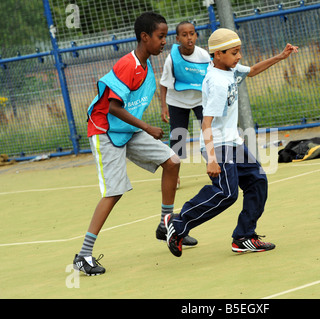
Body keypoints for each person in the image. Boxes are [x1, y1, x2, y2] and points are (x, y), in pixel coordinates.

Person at [164, 28, 298, 257]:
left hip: (234, 143)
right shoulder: (216, 83)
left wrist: (280, 57)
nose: (239, 57)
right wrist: (212, 160)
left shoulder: (231, 69)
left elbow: (253, 70)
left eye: (239, 52)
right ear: (218, 54)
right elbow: (206, 125)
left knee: (257, 182)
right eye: (234, 53)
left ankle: (244, 236)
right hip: (219, 145)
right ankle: (177, 223)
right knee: (227, 193)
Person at [72, 12, 187, 276]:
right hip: (105, 130)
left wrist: (141, 127)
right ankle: (83, 255)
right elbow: (112, 107)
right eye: (160, 37)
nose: (164, 42)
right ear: (145, 37)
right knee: (114, 191)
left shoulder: (146, 66)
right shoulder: (129, 65)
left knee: (172, 161)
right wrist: (146, 126)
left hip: (128, 128)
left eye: (165, 37)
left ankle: (164, 224)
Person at [159, 21, 210, 188]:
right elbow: (164, 83)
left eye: (192, 33)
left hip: (200, 99)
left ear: (196, 35)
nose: (189, 38)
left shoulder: (203, 56)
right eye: (184, 34)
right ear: (177, 38)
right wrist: (164, 107)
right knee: (178, 138)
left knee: (209, 133)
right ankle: (175, 176)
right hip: (177, 101)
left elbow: (211, 80)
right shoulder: (171, 59)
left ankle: (213, 165)